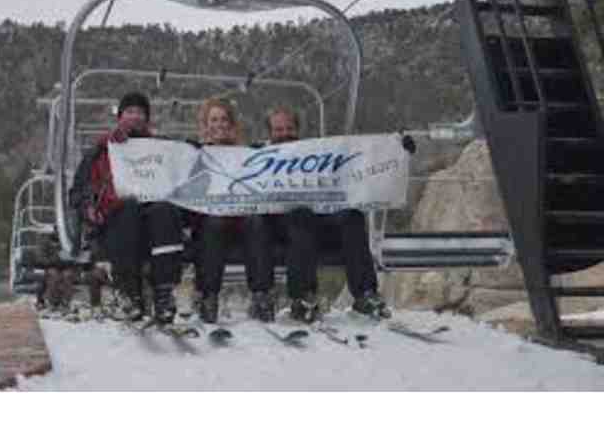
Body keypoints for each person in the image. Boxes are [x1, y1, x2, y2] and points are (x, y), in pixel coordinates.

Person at [248, 106, 407, 323]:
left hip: (318, 220)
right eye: (278, 129)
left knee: (352, 216)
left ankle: (365, 294)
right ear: (270, 132)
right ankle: (303, 297)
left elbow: (361, 160)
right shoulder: (260, 156)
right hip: (281, 226)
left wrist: (398, 150)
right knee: (300, 216)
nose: (285, 134)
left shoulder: (316, 153)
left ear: (297, 130)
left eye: (289, 128)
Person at [69, 91, 184, 324]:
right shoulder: (101, 151)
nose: (135, 117)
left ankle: (164, 292)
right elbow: (77, 192)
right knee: (128, 207)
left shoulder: (159, 150)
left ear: (147, 119)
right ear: (120, 117)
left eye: (140, 112)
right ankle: (130, 293)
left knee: (165, 210)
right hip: (115, 221)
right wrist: (88, 207)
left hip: (151, 219)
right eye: (130, 111)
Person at [187, 98, 249, 324]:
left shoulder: (246, 154)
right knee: (213, 224)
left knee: (256, 223)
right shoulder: (196, 153)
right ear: (206, 125)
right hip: (209, 221)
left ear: (231, 124)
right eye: (214, 120)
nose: (219, 124)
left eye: (224, 119)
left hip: (239, 219)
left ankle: (262, 295)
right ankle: (209, 296)